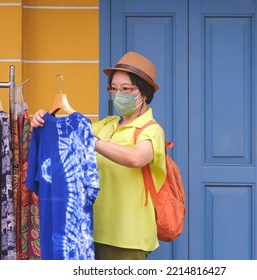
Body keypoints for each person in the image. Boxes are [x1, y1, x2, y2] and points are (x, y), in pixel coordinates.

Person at [31, 51, 166, 260]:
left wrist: (92, 142)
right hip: (91, 231)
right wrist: (45, 119)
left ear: (144, 92)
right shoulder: (107, 124)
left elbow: (136, 158)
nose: (118, 94)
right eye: (113, 88)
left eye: (126, 89)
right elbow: (68, 133)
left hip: (127, 237)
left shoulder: (151, 129)